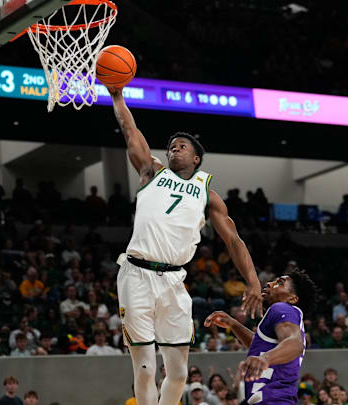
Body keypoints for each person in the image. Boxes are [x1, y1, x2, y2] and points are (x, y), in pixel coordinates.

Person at [108, 86, 263, 405]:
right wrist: (117, 96)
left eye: (181, 146)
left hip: (174, 282)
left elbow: (233, 239)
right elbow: (130, 129)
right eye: (171, 147)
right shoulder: (152, 171)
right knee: (146, 366)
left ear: (196, 158)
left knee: (178, 373)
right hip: (136, 274)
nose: (173, 149)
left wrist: (253, 281)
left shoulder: (207, 192)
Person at [205, 269, 318, 404]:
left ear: (292, 298)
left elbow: (295, 343)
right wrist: (234, 325)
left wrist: (265, 359)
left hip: (273, 400)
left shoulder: (282, 308)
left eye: (279, 283)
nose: (270, 283)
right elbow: (260, 345)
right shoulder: (286, 317)